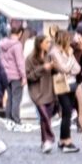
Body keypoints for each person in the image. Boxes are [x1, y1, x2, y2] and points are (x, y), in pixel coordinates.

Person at [26, 25, 62, 153]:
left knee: (44, 118)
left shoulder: (50, 56)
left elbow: (56, 73)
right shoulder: (30, 59)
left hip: (50, 91)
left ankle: (44, 141)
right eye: (47, 42)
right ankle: (50, 137)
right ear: (40, 43)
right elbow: (29, 76)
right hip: (37, 92)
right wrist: (43, 68)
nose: (49, 44)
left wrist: (55, 67)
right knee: (45, 116)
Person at [0, 22, 27, 126]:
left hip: (6, 75)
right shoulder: (17, 45)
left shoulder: (3, 44)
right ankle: (16, 119)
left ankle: (9, 117)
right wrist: (23, 76)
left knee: (9, 97)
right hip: (15, 76)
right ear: (20, 33)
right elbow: (20, 62)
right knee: (16, 98)